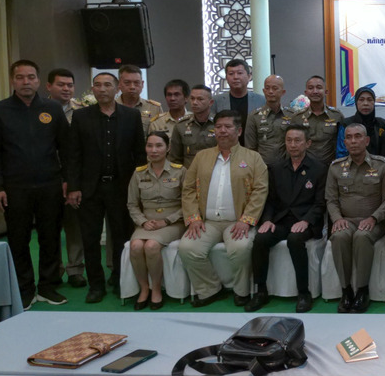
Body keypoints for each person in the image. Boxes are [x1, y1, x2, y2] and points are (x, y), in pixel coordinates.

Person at [0, 60, 72, 309]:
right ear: (12, 81)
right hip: (15, 187)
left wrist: (67, 180)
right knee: (19, 239)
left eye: (30, 77)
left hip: (50, 184)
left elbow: (66, 148)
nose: (25, 82)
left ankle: (48, 286)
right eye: (20, 77)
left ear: (39, 81)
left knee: (50, 237)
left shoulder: (53, 109)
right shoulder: (0, 110)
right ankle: (24, 289)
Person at [68, 72, 146, 303]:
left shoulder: (131, 116)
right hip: (89, 187)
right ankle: (96, 285)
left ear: (117, 88)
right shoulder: (81, 116)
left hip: (121, 186)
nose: (102, 89)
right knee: (90, 238)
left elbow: (139, 154)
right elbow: (73, 155)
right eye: (98, 85)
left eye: (107, 85)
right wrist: (73, 187)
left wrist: (139, 187)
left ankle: (121, 279)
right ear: (92, 89)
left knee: (121, 236)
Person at [178, 110, 268, 307]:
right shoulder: (202, 157)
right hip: (207, 222)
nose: (222, 131)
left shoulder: (253, 158)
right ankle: (210, 289)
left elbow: (260, 191)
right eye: (218, 127)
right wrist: (193, 218)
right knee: (187, 248)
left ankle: (241, 291)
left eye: (228, 127)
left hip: (238, 222)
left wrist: (246, 220)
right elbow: (189, 188)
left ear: (239, 131)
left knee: (241, 248)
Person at [246, 125, 327, 314]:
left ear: (308, 143)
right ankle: (261, 291)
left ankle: (303, 293)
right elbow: (270, 200)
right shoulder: (276, 168)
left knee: (295, 239)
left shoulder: (319, 168)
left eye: (298, 140)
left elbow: (320, 203)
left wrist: (306, 221)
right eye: (289, 140)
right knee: (260, 239)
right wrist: (267, 219)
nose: (293, 145)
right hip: (281, 219)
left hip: (306, 221)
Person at [326, 123, 385, 313]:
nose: (353, 141)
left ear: (367, 140)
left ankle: (362, 291)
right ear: (344, 142)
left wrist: (374, 218)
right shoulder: (335, 167)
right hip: (346, 220)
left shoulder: (382, 165)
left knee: (362, 237)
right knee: (339, 237)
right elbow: (331, 199)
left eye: (358, 136)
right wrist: (337, 219)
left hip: (373, 221)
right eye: (349, 137)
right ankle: (346, 291)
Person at [126, 131, 186, 310]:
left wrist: (167, 221)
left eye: (159, 146)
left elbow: (189, 203)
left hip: (173, 222)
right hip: (147, 222)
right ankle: (144, 288)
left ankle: (157, 289)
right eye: (149, 146)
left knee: (151, 246)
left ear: (168, 148)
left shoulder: (180, 171)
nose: (154, 150)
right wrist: (143, 221)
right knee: (136, 246)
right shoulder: (138, 173)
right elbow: (132, 204)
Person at [45, 67, 86, 288]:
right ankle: (54, 270)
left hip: (72, 178)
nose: (66, 89)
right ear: (48, 86)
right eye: (61, 85)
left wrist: (72, 180)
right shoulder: (39, 110)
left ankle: (75, 269)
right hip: (47, 178)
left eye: (70, 85)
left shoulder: (81, 111)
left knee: (74, 226)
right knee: (50, 228)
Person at [292, 74, 344, 167]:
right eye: (311, 88)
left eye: (319, 88)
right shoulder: (297, 118)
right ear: (306, 92)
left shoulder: (336, 116)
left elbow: (342, 144)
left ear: (326, 92)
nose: (315, 91)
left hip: (330, 167)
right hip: (305, 167)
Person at [245, 75, 295, 166]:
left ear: (283, 92)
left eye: (275, 88)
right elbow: (250, 148)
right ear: (264, 91)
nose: (270, 91)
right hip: (262, 166)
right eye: (267, 88)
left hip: (287, 167)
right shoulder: (254, 116)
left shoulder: (292, 115)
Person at [211, 59, 264, 144]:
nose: (235, 77)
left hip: (253, 148)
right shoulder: (215, 101)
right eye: (231, 74)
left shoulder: (261, 100)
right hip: (225, 147)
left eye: (240, 73)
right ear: (226, 78)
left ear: (249, 77)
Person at [169, 85, 216, 167]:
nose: (195, 102)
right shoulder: (181, 126)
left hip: (214, 171)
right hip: (190, 172)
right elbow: (175, 159)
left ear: (210, 102)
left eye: (200, 99)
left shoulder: (219, 124)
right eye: (192, 98)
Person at [336, 86, 385, 158]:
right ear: (356, 102)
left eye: (369, 100)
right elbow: (341, 153)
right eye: (361, 100)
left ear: (374, 102)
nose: (365, 103)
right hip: (352, 164)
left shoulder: (381, 124)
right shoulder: (346, 124)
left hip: (378, 164)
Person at [116, 64, 162, 136]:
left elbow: (160, 136)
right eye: (127, 83)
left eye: (136, 83)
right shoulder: (111, 107)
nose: (132, 87)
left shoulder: (154, 108)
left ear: (142, 84)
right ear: (119, 84)